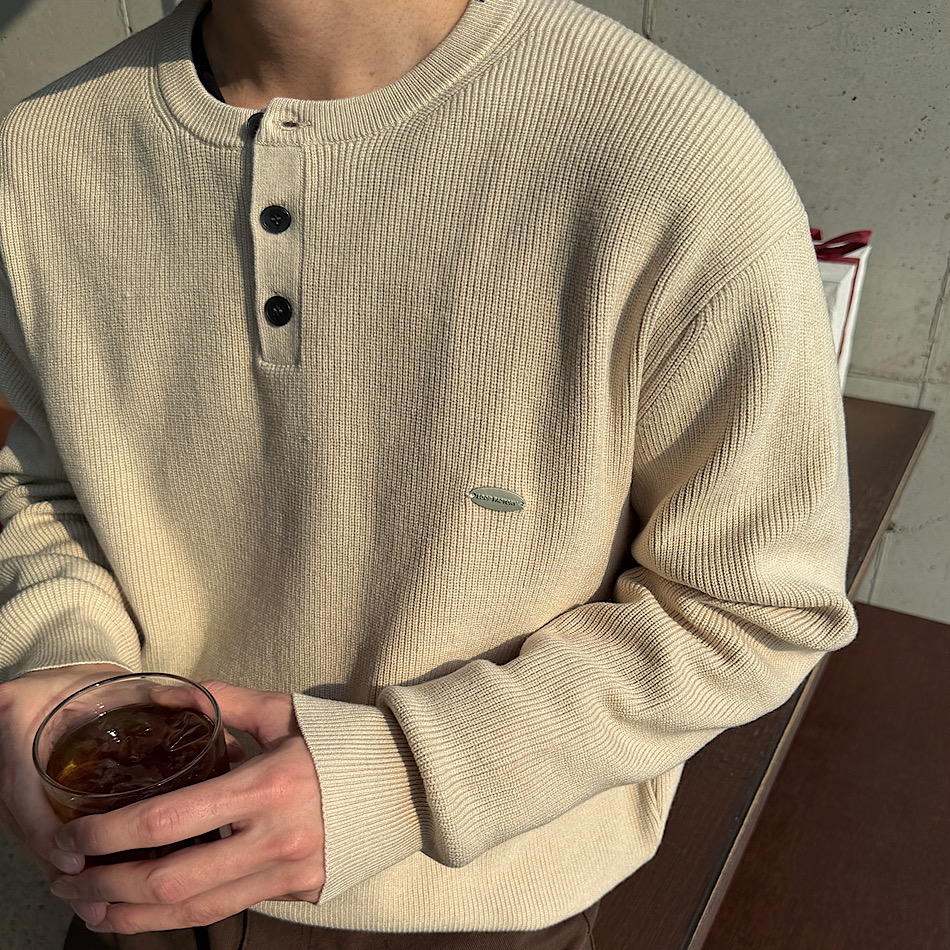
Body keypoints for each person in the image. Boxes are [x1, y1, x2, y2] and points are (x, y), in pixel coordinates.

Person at [0, 0, 858, 947]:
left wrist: (402, 776)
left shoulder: (667, 159)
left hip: (470, 902)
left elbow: (751, 606)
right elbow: (45, 485)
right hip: (126, 875)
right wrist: (60, 659)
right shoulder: (41, 153)